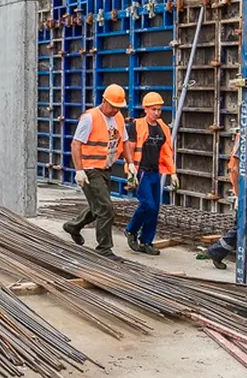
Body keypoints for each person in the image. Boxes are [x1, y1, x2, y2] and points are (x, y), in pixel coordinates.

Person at [63, 84, 137, 260]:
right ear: (104, 101)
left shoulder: (118, 117)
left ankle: (73, 226)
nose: (115, 110)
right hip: (90, 169)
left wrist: (131, 163)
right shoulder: (90, 118)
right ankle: (104, 248)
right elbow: (76, 144)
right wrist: (79, 170)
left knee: (99, 206)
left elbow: (125, 141)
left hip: (105, 168)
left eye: (118, 107)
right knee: (106, 209)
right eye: (113, 106)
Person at [123, 92, 178, 256]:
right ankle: (131, 230)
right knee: (148, 204)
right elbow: (130, 149)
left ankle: (146, 241)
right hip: (141, 171)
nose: (157, 112)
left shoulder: (163, 128)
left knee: (154, 210)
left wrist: (172, 173)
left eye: (159, 109)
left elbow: (167, 152)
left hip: (155, 172)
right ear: (145, 109)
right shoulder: (136, 125)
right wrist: (130, 169)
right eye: (154, 109)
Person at [206, 130, 242, 269]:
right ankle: (216, 251)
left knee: (240, 227)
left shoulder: (244, 136)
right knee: (240, 227)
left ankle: (217, 252)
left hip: (245, 191)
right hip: (244, 192)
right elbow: (235, 169)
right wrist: (240, 194)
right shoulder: (244, 138)